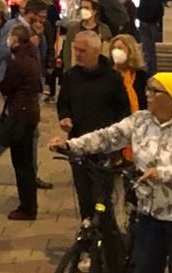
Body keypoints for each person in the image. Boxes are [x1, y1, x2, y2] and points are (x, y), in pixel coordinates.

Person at [51, 73, 172, 273]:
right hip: (150, 215)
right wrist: (71, 145)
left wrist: (164, 174)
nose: (147, 95)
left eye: (154, 91)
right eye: (148, 89)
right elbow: (107, 137)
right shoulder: (139, 121)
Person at [55, 30, 130, 219]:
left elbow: (124, 113)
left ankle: (106, 236)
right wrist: (64, 117)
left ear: (96, 51)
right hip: (78, 144)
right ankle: (87, 230)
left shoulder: (112, 78)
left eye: (83, 50)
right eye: (76, 49)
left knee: (103, 198)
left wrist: (118, 144)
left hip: (104, 148)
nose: (78, 54)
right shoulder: (71, 76)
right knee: (84, 195)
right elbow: (63, 103)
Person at [0, 23, 42, 219]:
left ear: (15, 39)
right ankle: (28, 205)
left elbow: (6, 87)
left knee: (22, 164)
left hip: (19, 114)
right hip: (29, 112)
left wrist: (5, 83)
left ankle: (27, 208)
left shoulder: (19, 61)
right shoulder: (31, 57)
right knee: (26, 163)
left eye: (10, 37)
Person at [133, 0, 165, 72]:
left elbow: (152, 4)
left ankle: (151, 71)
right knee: (148, 48)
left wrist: (144, 16)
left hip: (148, 20)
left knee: (149, 48)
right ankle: (150, 69)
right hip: (147, 19)